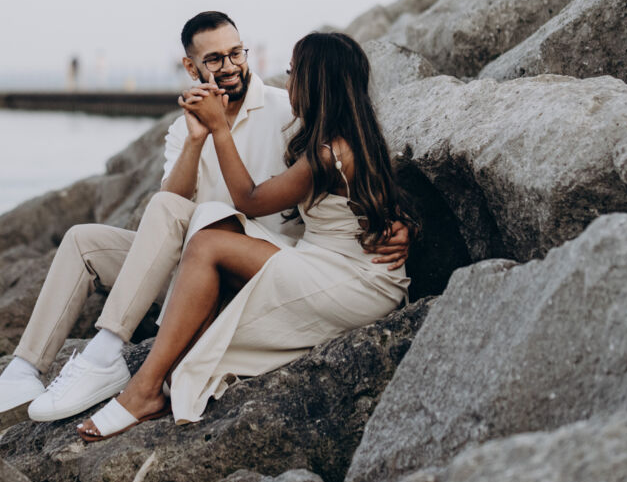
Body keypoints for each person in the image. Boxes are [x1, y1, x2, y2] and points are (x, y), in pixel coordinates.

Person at [0, 14, 410, 436]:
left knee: (204, 220)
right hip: (194, 262)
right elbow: (169, 205)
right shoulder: (181, 128)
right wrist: (197, 138)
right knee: (83, 239)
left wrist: (401, 223)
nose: (229, 66)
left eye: (236, 53)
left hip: (261, 263)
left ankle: (109, 354)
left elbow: (354, 170)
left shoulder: (288, 110)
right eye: (214, 59)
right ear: (191, 68)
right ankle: (23, 372)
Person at [78, 31, 418, 440]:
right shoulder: (348, 136)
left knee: (208, 244)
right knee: (211, 218)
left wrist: (219, 128)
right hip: (327, 260)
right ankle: (172, 367)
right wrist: (403, 224)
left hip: (353, 280)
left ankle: (144, 389)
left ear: (314, 83)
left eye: (293, 73)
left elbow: (250, 199)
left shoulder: (328, 153)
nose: (287, 83)